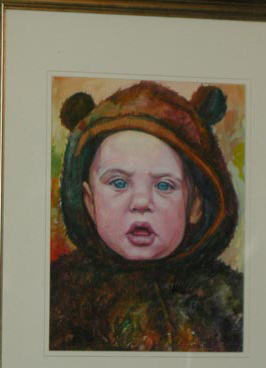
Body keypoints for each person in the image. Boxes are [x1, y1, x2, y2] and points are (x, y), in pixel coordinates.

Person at [50, 81, 243, 351]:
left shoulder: (229, 301)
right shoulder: (59, 293)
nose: (141, 203)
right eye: (118, 183)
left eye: (164, 185)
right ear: (89, 202)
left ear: (195, 205)